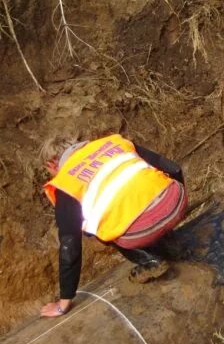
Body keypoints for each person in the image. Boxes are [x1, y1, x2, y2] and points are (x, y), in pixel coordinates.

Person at [39, 134, 187, 317]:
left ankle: (149, 261)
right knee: (141, 199)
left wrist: (63, 303)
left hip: (140, 231)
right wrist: (176, 210)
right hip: (177, 202)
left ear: (52, 164)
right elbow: (174, 168)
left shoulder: (65, 183)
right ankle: (170, 242)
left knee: (100, 224)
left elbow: (70, 246)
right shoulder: (114, 143)